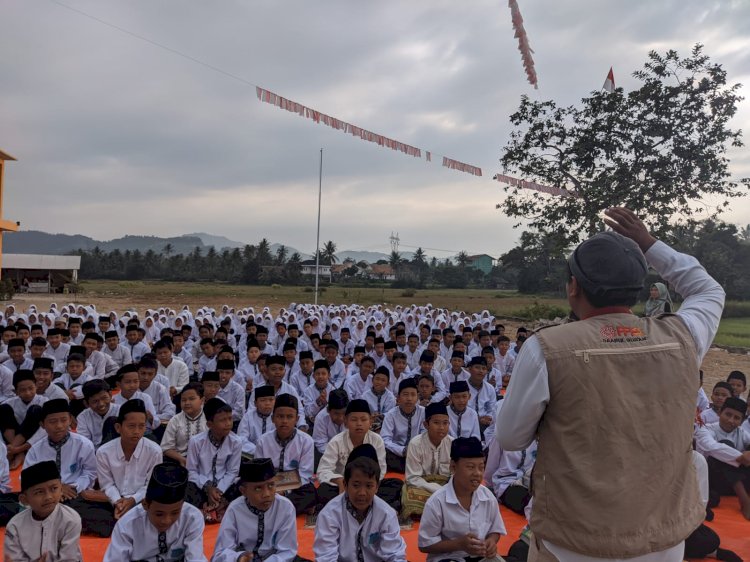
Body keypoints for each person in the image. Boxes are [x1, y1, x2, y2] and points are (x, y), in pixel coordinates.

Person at [496, 207, 725, 561]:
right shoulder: (683, 337)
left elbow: (511, 438)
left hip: (575, 542)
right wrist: (647, 242)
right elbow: (707, 288)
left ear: (573, 287)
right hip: (661, 542)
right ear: (639, 289)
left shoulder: (546, 348)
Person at [314, 444, 407, 562]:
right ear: (346, 485)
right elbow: (326, 558)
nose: (362, 493)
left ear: (377, 487)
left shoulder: (386, 514)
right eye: (356, 485)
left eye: (369, 486)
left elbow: (395, 555)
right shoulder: (329, 515)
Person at [418, 437, 506, 561]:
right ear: (453, 467)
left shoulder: (488, 497)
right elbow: (424, 545)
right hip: (448, 558)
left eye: (481, 467)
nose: (477, 473)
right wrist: (459, 545)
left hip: (480, 557)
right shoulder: (437, 502)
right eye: (470, 467)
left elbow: (495, 530)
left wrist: (491, 541)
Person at [103, 463, 206, 562]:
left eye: (175, 513)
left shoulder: (192, 518)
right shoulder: (127, 525)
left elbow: (195, 558)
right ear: (145, 505)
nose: (166, 521)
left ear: (182, 505)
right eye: (159, 514)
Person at [95, 399, 163, 537]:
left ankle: (128, 523)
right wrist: (118, 503)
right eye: (131, 426)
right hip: (113, 502)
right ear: (118, 428)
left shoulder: (154, 451)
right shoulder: (103, 452)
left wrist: (131, 501)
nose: (137, 431)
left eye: (141, 426)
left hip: (141, 502)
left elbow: (150, 486)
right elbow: (107, 485)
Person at [211, 458, 298, 562]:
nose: (267, 494)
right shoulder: (235, 509)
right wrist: (238, 557)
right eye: (258, 488)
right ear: (243, 491)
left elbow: (287, 551)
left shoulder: (285, 507)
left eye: (271, 485)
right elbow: (221, 552)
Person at [24, 399, 97, 509]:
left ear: (71, 420)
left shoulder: (84, 444)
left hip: (75, 494)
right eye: (52, 422)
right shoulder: (35, 450)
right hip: (46, 497)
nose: (59, 426)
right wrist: (56, 489)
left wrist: (74, 487)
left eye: (64, 420)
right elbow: (26, 477)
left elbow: (90, 473)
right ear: (42, 424)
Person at [4, 461, 82, 562]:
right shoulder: (15, 526)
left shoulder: (71, 519)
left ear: (62, 490)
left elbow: (69, 559)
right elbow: (12, 559)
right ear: (24, 499)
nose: (48, 497)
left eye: (54, 488)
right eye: (39, 492)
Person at [317, 399, 388, 507]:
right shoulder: (336, 441)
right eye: (354, 419)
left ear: (371, 421)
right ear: (345, 422)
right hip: (344, 486)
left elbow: (381, 470)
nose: (359, 424)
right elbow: (323, 470)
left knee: (395, 485)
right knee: (323, 490)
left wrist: (368, 485)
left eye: (364, 419)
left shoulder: (377, 440)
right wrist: (340, 481)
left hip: (369, 486)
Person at [255, 393, 317, 514]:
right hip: (268, 487)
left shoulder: (306, 441)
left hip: (294, 488)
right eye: (280, 416)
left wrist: (284, 490)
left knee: (310, 493)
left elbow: (305, 474)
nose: (284, 421)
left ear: (297, 419)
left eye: (289, 417)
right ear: (273, 418)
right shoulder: (263, 441)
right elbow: (260, 473)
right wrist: (273, 488)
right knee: (245, 487)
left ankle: (272, 509)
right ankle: (285, 509)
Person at [185, 397, 242, 518]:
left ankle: (214, 506)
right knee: (186, 487)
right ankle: (213, 508)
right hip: (201, 486)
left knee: (244, 484)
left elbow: (232, 471)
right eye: (222, 420)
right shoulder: (196, 442)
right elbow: (191, 471)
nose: (228, 423)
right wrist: (208, 487)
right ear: (210, 424)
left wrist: (219, 491)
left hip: (225, 488)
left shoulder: (236, 442)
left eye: (230, 419)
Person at [695, 396, 750, 518]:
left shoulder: (741, 433)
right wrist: (741, 456)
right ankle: (745, 501)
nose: (731, 420)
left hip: (733, 482)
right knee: (724, 448)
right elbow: (712, 447)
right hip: (713, 480)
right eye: (728, 414)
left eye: (736, 418)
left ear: (742, 421)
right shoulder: (705, 430)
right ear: (720, 413)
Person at [401, 402, 453, 519]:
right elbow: (413, 478)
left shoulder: (452, 443)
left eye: (445, 423)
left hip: (446, 485)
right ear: (426, 424)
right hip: (422, 486)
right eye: (436, 423)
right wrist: (438, 490)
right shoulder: (415, 444)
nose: (441, 427)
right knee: (409, 496)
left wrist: (449, 489)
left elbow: (456, 474)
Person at [0, 369, 47, 469]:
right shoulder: (9, 403)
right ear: (16, 391)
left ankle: (17, 453)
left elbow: (44, 430)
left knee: (35, 410)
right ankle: (15, 453)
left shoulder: (44, 401)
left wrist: (19, 449)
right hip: (12, 440)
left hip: (31, 443)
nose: (28, 393)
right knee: (4, 409)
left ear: (36, 386)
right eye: (22, 390)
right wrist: (4, 448)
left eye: (31, 388)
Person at [381, 378, 425, 473]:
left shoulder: (423, 412)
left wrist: (413, 449)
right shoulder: (391, 415)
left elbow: (424, 435)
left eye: (413, 395)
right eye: (405, 394)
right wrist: (402, 450)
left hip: (418, 453)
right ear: (398, 398)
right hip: (397, 454)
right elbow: (385, 439)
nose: (409, 398)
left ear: (417, 397)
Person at [161, 382, 207, 466]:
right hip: (180, 461)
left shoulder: (209, 418)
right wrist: (181, 459)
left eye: (191, 399)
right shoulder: (175, 420)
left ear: (202, 400)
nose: (187, 403)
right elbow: (166, 448)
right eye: (183, 400)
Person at [77, 379, 120, 449]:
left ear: (110, 395)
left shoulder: (120, 411)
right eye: (95, 401)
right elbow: (84, 443)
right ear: (86, 403)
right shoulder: (83, 417)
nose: (101, 404)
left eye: (104, 398)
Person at [312, 388, 348, 465]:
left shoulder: (351, 415)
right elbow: (321, 444)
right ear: (328, 410)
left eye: (343, 413)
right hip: (328, 456)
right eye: (336, 413)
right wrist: (339, 456)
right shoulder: (321, 418)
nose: (341, 418)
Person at [237, 385, 275, 457]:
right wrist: (258, 450)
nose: (267, 403)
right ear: (255, 403)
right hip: (252, 455)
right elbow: (241, 439)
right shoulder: (248, 416)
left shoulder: (278, 416)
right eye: (263, 400)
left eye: (271, 400)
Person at [301, 359, 336, 426]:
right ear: (313, 376)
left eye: (323, 373)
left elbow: (335, 412)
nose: (320, 376)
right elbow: (307, 412)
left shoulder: (333, 391)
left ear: (329, 375)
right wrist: (317, 402)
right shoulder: (308, 391)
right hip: (312, 423)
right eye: (317, 374)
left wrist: (326, 403)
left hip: (329, 423)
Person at [361, 366, 396, 431]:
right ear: (372, 380)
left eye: (383, 380)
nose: (379, 382)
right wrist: (370, 416)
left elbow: (391, 414)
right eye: (377, 379)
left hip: (386, 426)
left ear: (387, 384)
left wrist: (381, 416)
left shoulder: (390, 397)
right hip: (368, 425)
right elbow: (362, 413)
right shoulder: (365, 396)